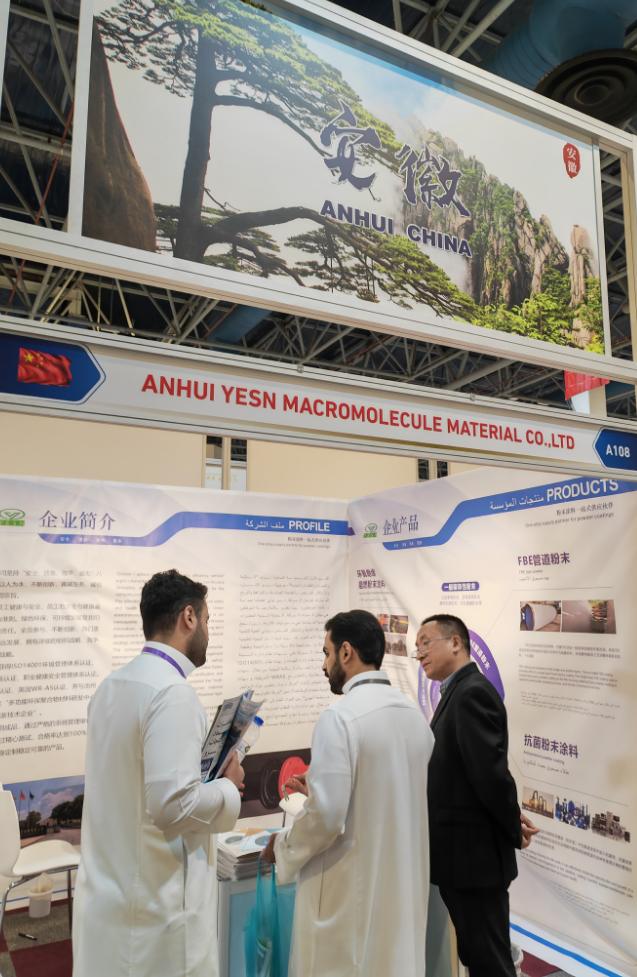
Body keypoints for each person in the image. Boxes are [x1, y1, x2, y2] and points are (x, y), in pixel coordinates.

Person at [73, 570, 245, 977]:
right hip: (154, 916)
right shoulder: (172, 693)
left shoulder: (111, 686)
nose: (208, 632)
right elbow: (172, 805)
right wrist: (228, 786)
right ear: (189, 617)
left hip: (109, 900)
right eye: (207, 620)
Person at [262, 609, 433, 977]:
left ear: (346, 652)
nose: (324, 665)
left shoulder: (339, 718)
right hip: (401, 894)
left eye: (327, 653)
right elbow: (390, 792)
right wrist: (321, 783)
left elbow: (326, 818)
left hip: (348, 900)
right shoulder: (415, 717)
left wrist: (282, 846)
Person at [413, 614, 539, 977]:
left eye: (426, 643)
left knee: (490, 961)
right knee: (479, 957)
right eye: (416, 648)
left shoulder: (471, 692)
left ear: (456, 642)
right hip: (462, 859)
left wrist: (511, 826)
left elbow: (490, 775)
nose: (419, 654)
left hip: (474, 861)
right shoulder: (456, 691)